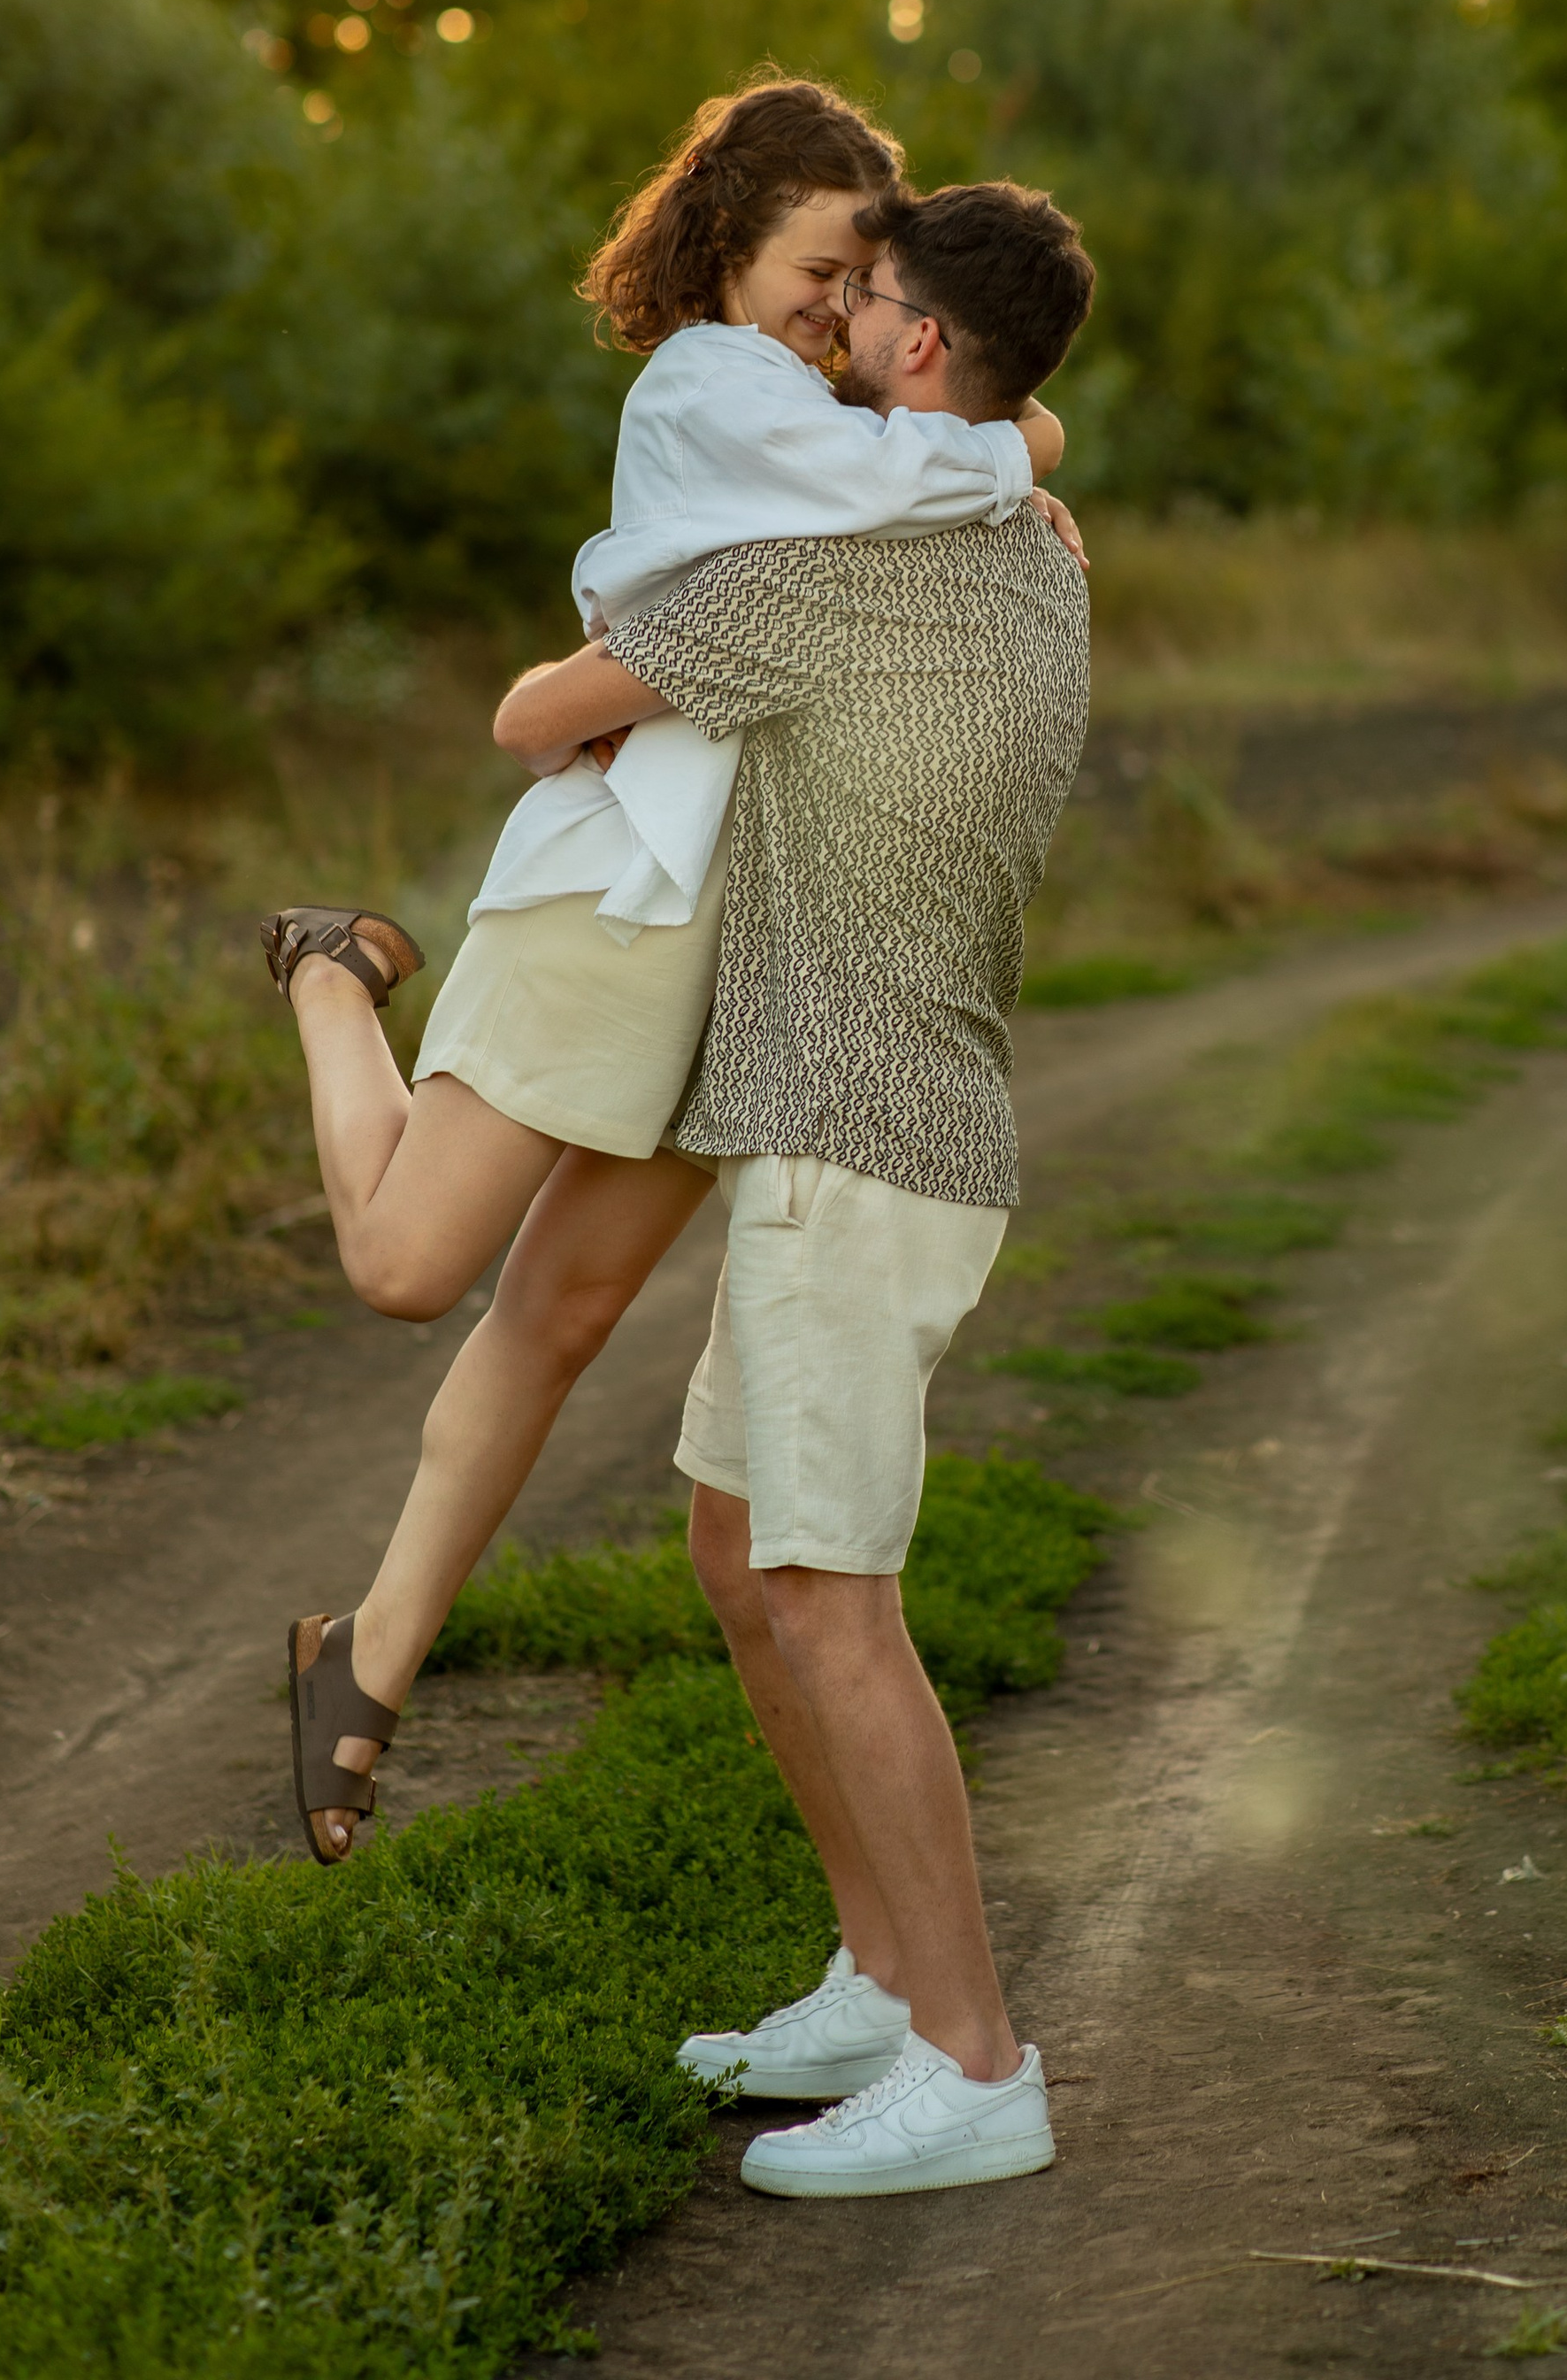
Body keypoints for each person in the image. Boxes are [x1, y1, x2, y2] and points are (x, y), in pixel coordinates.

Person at [266, 78, 1076, 1864]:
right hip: (615, 879)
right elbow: (910, 472)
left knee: (555, 1317)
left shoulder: (818, 401)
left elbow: (916, 478)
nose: (835, 300)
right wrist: (1019, 461)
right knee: (410, 1267)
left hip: (732, 928)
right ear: (729, 252)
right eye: (815, 262)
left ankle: (366, 1664)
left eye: (863, 268)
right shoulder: (712, 385)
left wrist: (996, 473)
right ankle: (332, 976)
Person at [488, 175, 1094, 2197]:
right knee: (746, 1569)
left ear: (919, 347)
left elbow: (533, 717)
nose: (821, 333)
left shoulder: (815, 583)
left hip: (859, 1135)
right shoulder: (1029, 545)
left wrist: (647, 602)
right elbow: (985, 474)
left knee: (831, 1600)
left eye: (861, 304)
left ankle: (976, 2065)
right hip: (857, 1128)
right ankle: (880, 1979)